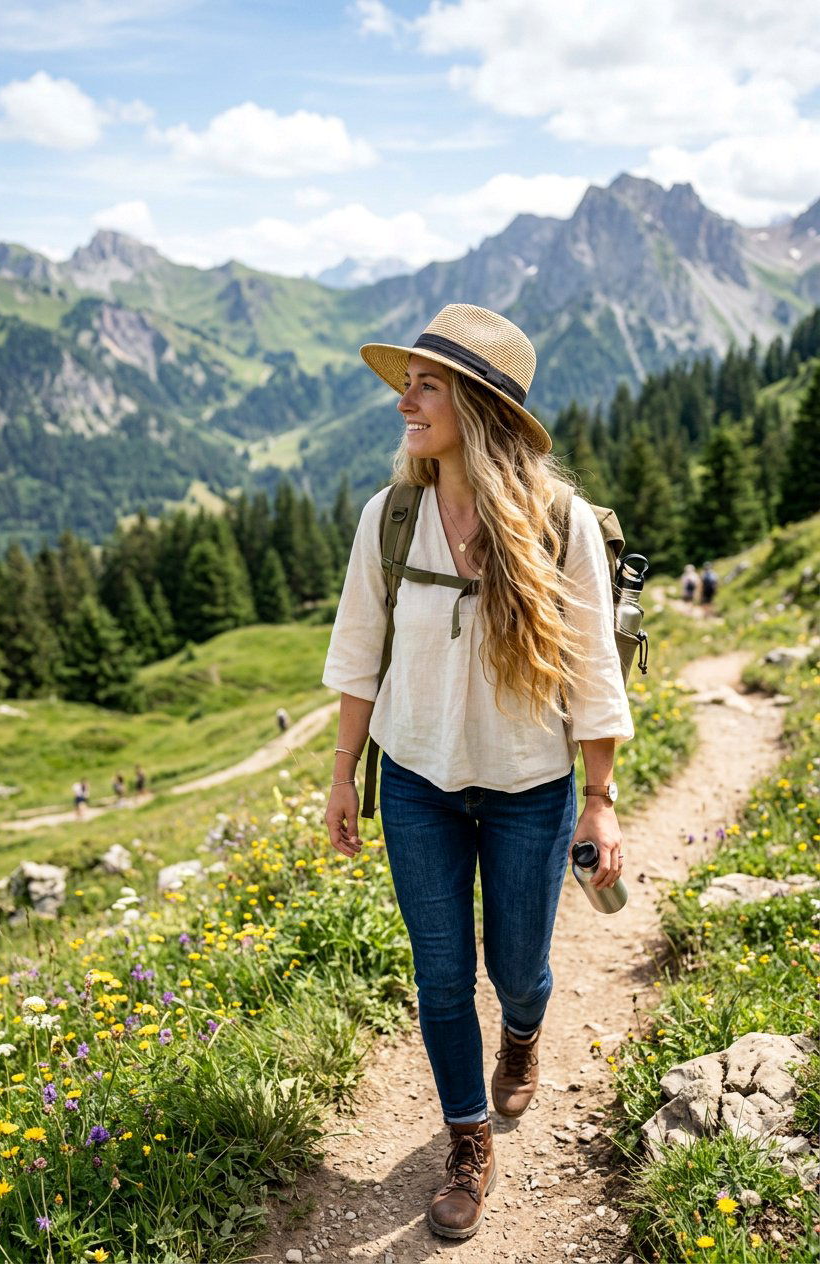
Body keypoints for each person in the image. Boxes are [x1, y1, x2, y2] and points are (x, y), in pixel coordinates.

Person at [322, 304, 633, 1240]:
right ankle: (467, 1140)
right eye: (406, 383)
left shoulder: (558, 522)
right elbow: (355, 652)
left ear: (481, 407)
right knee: (443, 974)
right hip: (417, 784)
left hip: (531, 791)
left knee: (518, 969)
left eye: (427, 387)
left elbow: (593, 669)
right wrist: (343, 775)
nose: (404, 404)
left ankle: (528, 1033)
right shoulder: (392, 517)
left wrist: (603, 802)